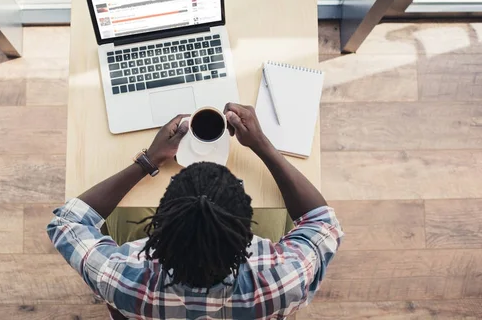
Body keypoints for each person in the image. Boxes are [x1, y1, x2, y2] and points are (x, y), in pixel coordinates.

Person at [48, 103, 343, 319]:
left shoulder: (122, 279)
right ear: (246, 233)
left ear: (159, 225)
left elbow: (67, 221)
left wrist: (149, 161)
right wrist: (262, 145)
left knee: (118, 216)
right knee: (280, 214)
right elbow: (322, 223)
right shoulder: (284, 280)